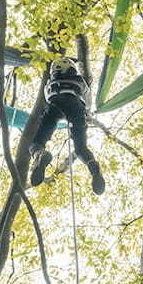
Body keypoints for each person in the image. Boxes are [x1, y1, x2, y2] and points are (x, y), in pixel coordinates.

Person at [29, 58, 106, 195]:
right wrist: (85, 114)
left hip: (54, 106)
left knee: (37, 142)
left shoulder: (49, 83)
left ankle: (39, 154)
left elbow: (47, 97)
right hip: (75, 105)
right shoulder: (79, 80)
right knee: (80, 148)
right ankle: (93, 168)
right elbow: (87, 101)